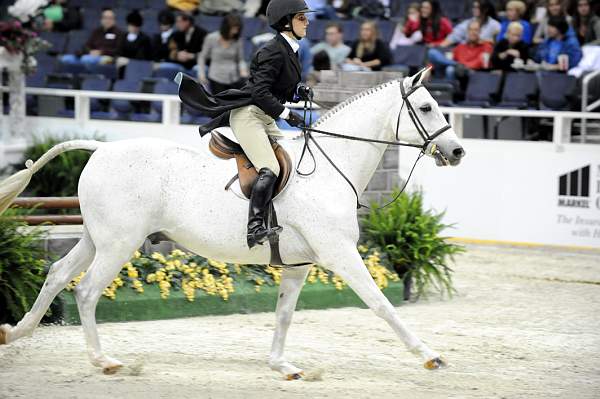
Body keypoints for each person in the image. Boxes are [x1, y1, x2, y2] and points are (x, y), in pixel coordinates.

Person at [176, 0, 313, 248]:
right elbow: (260, 92)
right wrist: (286, 113)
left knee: (291, 160)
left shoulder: (290, 49)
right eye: (302, 18)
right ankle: (255, 228)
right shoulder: (272, 50)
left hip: (264, 115)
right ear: (286, 21)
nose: (307, 22)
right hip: (249, 115)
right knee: (270, 167)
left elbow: (278, 86)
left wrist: (297, 92)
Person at [196, 14, 248, 94]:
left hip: (233, 77)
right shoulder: (211, 38)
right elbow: (202, 57)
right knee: (219, 102)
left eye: (237, 28)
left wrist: (243, 70)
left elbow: (240, 59)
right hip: (216, 77)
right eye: (233, 28)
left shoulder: (237, 40)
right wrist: (201, 74)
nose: (236, 31)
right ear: (226, 27)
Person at [60, 7, 124, 69]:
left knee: (86, 59)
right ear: (101, 19)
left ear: (114, 20)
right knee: (65, 59)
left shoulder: (119, 33)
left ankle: (85, 77)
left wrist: (101, 52)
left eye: (110, 18)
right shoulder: (96, 31)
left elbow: (118, 50)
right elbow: (86, 45)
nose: (107, 20)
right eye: (105, 18)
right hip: (90, 55)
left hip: (106, 57)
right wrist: (90, 51)